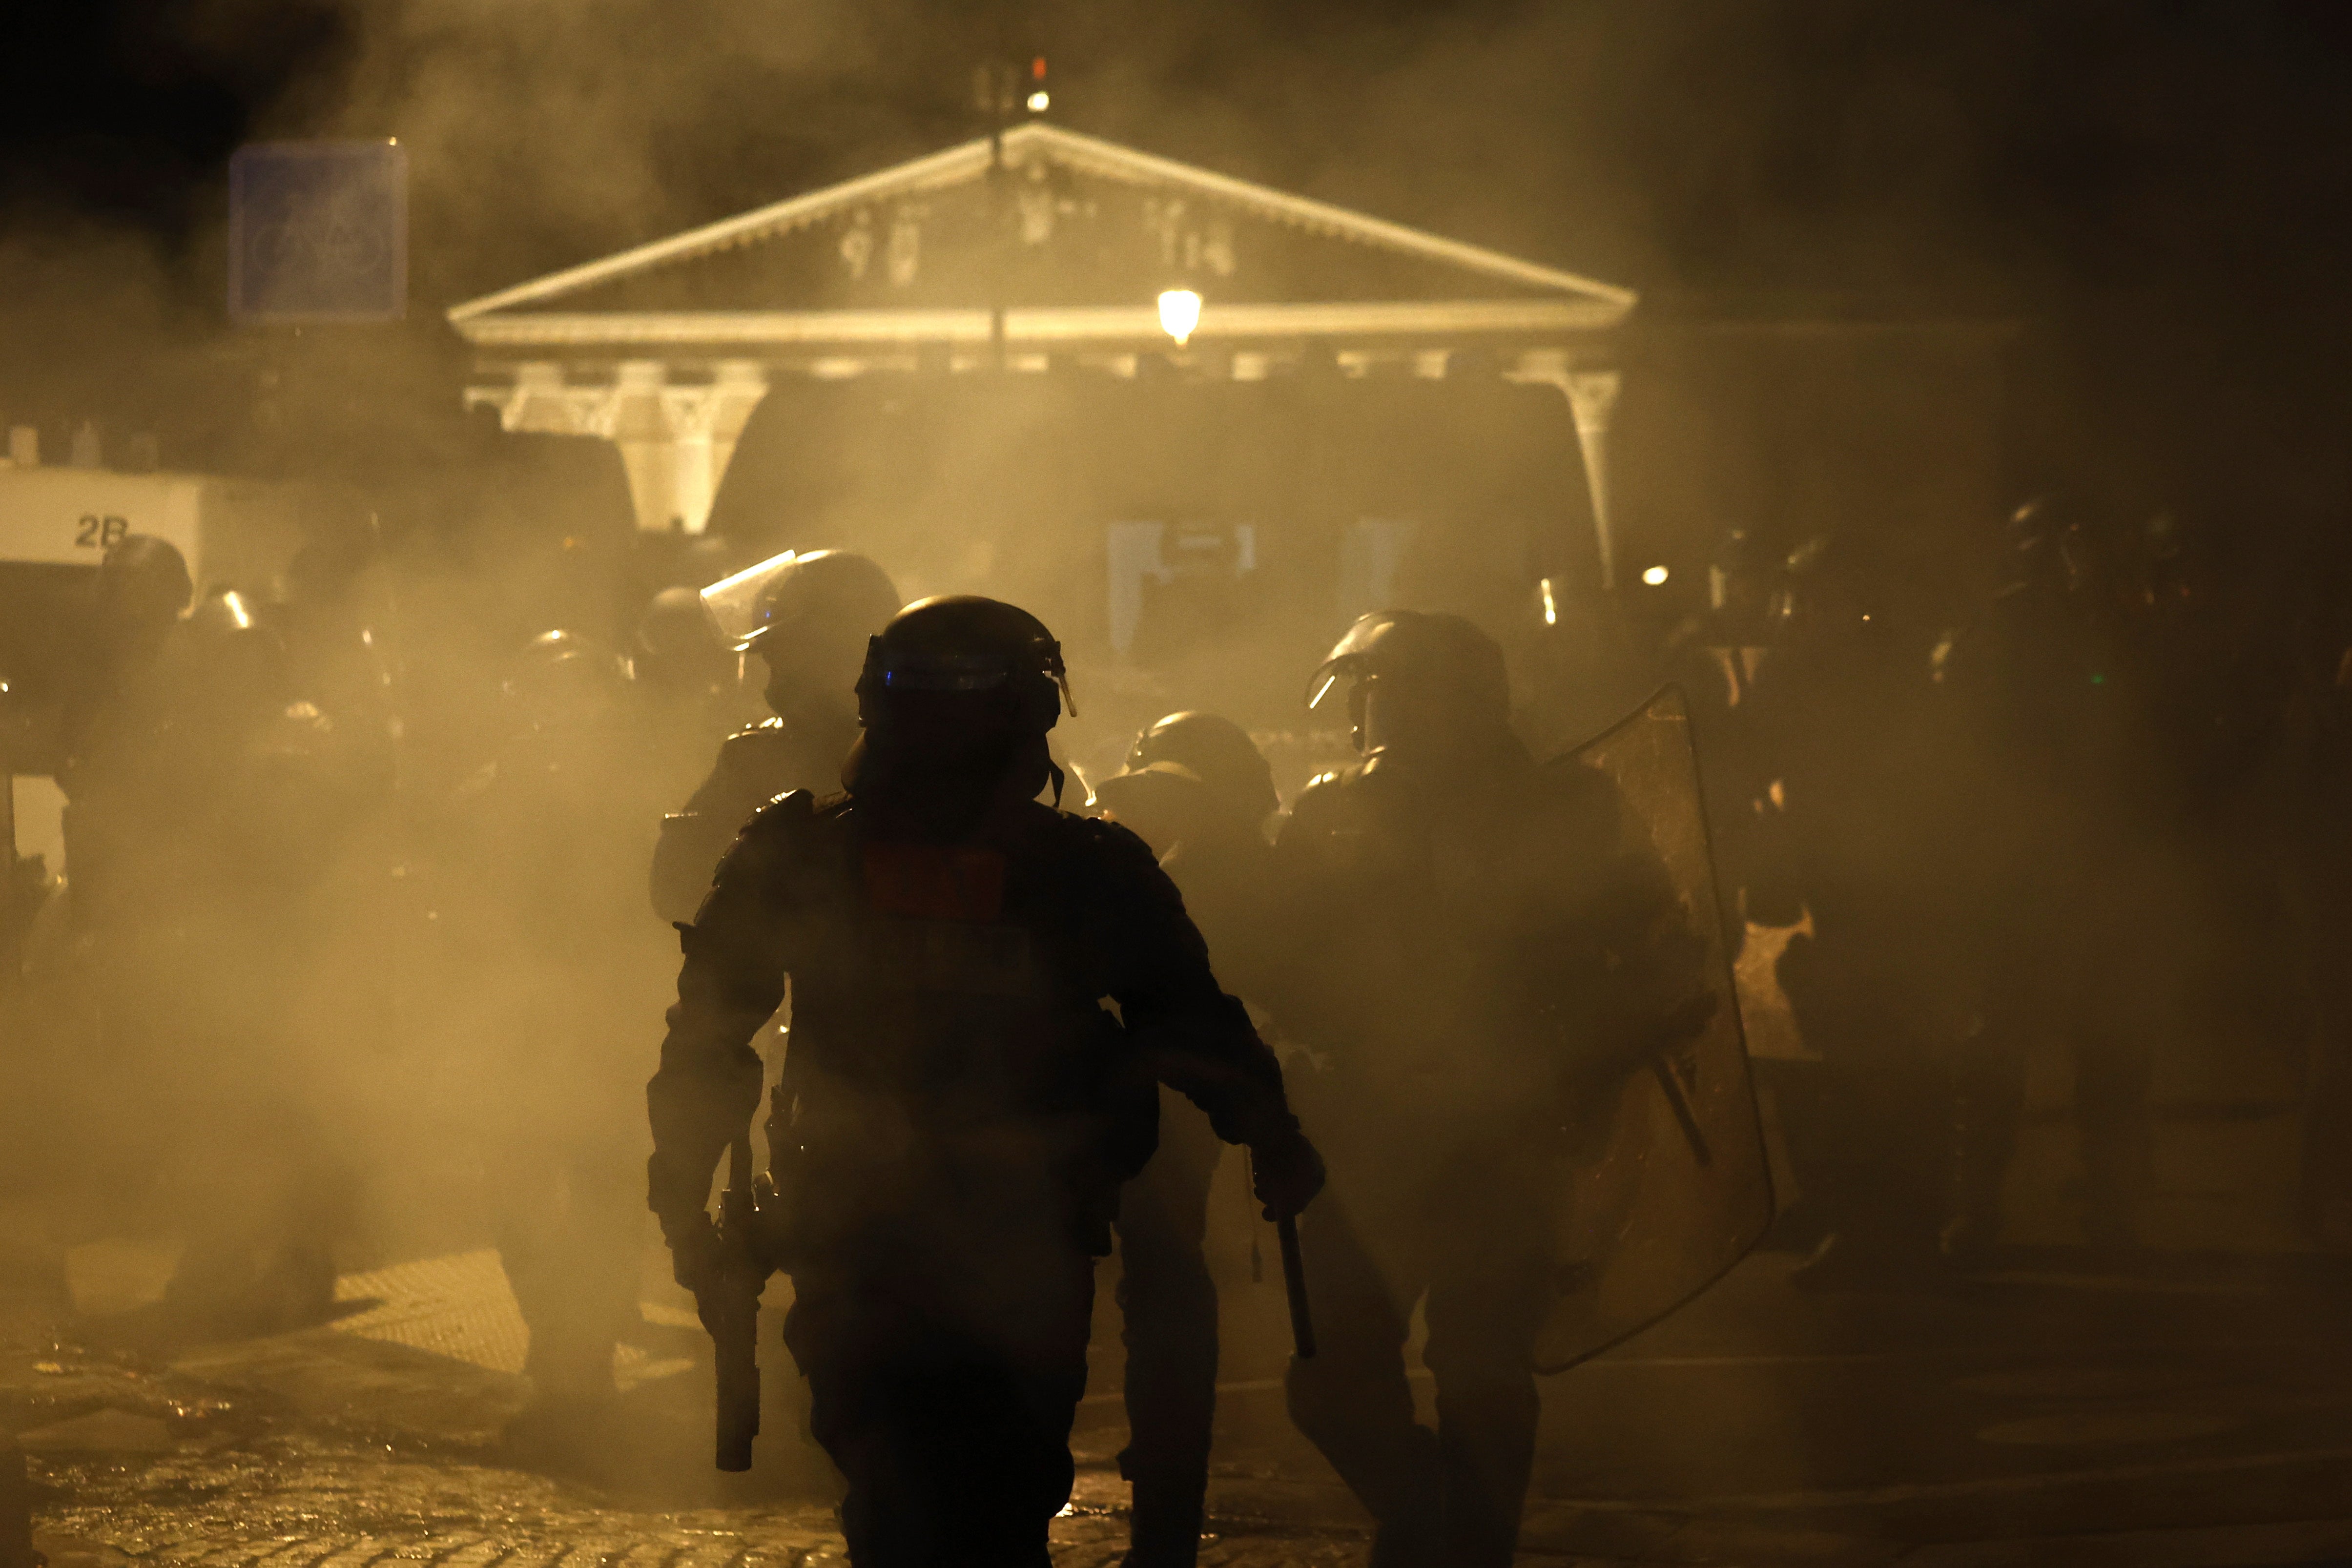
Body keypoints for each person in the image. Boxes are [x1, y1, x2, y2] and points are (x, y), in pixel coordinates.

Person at [646, 596, 1324, 1568]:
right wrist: (1276, 1137)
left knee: (898, 1497)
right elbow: (1196, 1023)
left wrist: (682, 1203)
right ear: (1038, 716)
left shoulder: (799, 855)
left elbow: (705, 1044)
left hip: (869, 1239)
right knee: (993, 1503)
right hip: (1012, 1243)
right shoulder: (1088, 869)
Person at [1273, 610, 1701, 1568]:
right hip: (1363, 1133)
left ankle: (1470, 1554)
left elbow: (1663, 956)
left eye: (1381, 688)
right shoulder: (1327, 808)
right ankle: (1439, 1529)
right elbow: (1272, 952)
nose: (1367, 709)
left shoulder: (1567, 811)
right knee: (1330, 1379)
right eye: (1365, 691)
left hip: (1506, 1131)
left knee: (1482, 1372)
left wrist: (1586, 1055)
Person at [458, 629, 672, 1440]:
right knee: (512, 1188)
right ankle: (561, 1329)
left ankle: (572, 1355)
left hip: (605, 1015)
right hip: (511, 1018)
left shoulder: (639, 796)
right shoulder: (486, 797)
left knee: (603, 1185)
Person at [1092, 712, 1284, 1568]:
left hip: (1169, 1107)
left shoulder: (1202, 872)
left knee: (1162, 1297)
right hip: (1167, 1101)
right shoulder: (1194, 866)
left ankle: (1165, 1510)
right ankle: (1164, 1492)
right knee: (1158, 1297)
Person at [649, 551, 900, 924]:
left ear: (834, 648)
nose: (772, 669)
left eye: (784, 651)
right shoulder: (757, 755)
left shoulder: (919, 755)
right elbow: (676, 888)